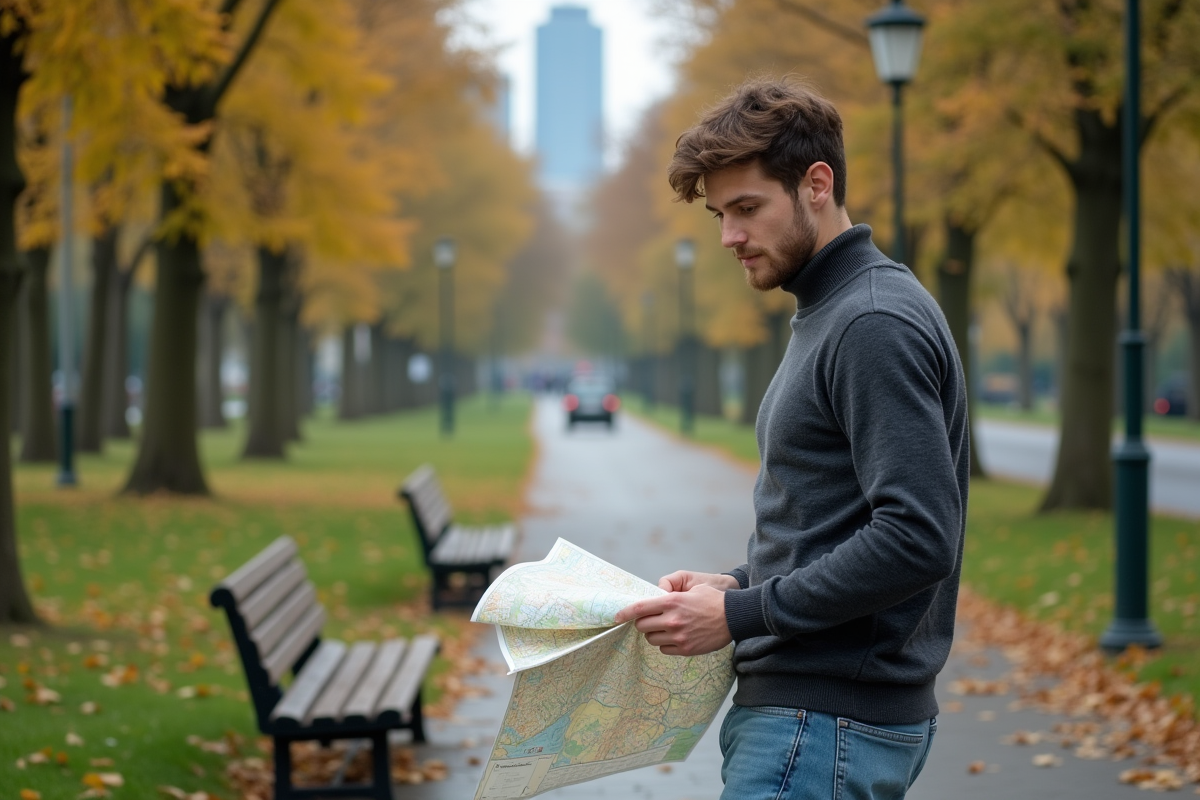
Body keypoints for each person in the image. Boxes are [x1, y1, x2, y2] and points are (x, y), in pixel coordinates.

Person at [614, 77, 969, 800]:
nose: (729, 237)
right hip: (814, 720)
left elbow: (918, 535)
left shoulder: (870, 322)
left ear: (816, 184)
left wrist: (741, 615)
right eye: (719, 214)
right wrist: (738, 585)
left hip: (822, 725)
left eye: (747, 209)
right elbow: (838, 521)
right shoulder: (832, 309)